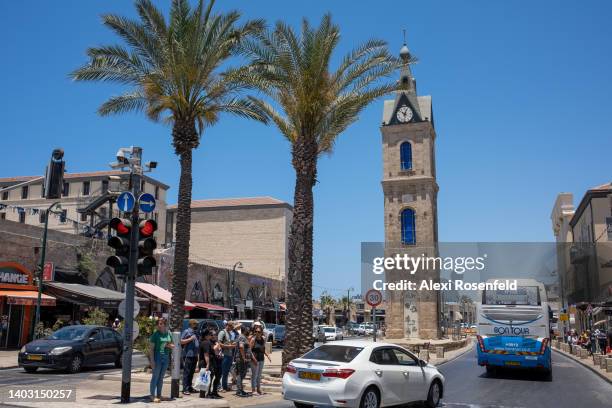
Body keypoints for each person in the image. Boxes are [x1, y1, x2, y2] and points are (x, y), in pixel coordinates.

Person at [149, 318, 174, 403]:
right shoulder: (155, 335)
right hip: (158, 357)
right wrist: (152, 361)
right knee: (155, 377)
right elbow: (151, 349)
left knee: (161, 378)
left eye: (161, 323)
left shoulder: (168, 334)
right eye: (158, 324)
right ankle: (152, 396)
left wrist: (169, 346)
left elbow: (172, 345)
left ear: (164, 324)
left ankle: (159, 395)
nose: (159, 325)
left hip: (166, 357)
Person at [197, 329, 222, 399]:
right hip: (205, 363)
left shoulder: (203, 342)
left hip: (204, 362)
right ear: (207, 335)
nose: (211, 336)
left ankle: (203, 395)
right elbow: (206, 354)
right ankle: (206, 394)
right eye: (210, 335)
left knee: (204, 379)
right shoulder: (206, 343)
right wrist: (208, 364)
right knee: (207, 379)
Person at [250, 324, 272, 395]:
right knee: (254, 375)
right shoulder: (253, 339)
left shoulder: (263, 339)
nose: (257, 333)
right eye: (256, 331)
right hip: (255, 360)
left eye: (259, 331)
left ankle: (258, 389)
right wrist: (253, 359)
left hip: (261, 359)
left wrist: (267, 355)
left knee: (259, 375)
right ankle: (253, 390)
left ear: (261, 332)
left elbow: (263, 349)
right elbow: (249, 350)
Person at [180, 319, 200, 395]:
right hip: (188, 355)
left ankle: (189, 387)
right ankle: (185, 388)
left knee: (192, 372)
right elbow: (180, 341)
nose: (196, 325)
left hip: (194, 355)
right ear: (191, 324)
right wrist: (190, 339)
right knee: (187, 372)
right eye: (195, 324)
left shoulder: (195, 332)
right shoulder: (186, 331)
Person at [235, 325, 255, 397]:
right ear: (245, 330)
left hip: (244, 359)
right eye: (247, 330)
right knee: (240, 374)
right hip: (241, 359)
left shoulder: (244, 337)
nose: (249, 331)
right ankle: (239, 391)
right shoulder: (241, 337)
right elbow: (241, 347)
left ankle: (240, 390)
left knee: (242, 374)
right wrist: (243, 358)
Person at [218, 321, 236, 392]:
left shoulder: (229, 333)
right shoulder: (222, 332)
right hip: (224, 355)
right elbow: (219, 344)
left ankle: (224, 386)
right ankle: (221, 387)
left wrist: (233, 343)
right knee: (222, 372)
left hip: (229, 355)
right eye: (231, 327)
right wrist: (230, 346)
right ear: (228, 325)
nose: (232, 328)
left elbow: (229, 342)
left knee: (226, 372)